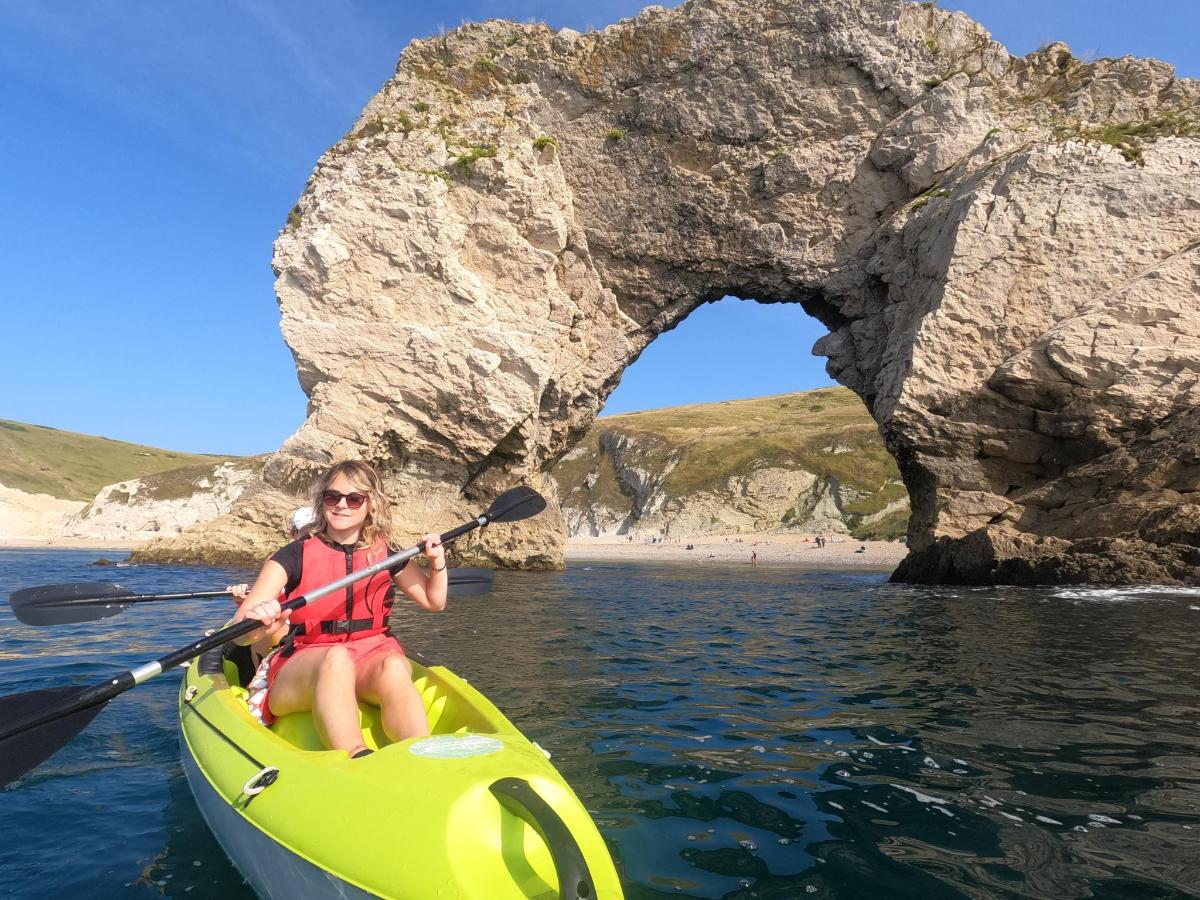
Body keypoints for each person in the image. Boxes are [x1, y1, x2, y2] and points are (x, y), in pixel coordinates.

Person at [233, 460, 447, 758]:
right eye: (332, 497)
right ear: (322, 501)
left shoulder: (386, 554)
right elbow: (240, 633)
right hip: (307, 663)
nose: (341, 505)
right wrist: (261, 622)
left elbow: (433, 601)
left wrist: (437, 563)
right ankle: (356, 755)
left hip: (368, 659)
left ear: (371, 504)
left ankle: (421, 753)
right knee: (336, 658)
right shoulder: (293, 555)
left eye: (354, 498)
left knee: (394, 665)